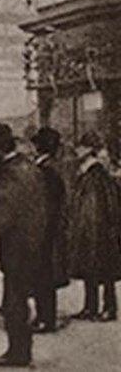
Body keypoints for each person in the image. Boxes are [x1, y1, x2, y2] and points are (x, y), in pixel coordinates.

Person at [0, 122, 49, 368]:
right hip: (31, 242)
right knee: (18, 298)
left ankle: (18, 353)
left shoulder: (11, 171)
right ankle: (20, 350)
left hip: (17, 245)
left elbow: (5, 211)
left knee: (14, 301)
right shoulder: (27, 167)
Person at [67, 129, 121, 321]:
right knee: (91, 268)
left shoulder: (95, 175)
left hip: (98, 229)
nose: (77, 151)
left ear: (89, 150)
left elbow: (95, 206)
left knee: (104, 270)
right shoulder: (90, 173)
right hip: (93, 228)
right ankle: (90, 307)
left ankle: (109, 308)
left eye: (81, 147)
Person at [30, 126, 68, 332]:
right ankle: (43, 316)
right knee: (41, 274)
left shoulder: (47, 170)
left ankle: (46, 319)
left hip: (45, 229)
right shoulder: (47, 167)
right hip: (46, 227)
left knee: (44, 274)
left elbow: (48, 203)